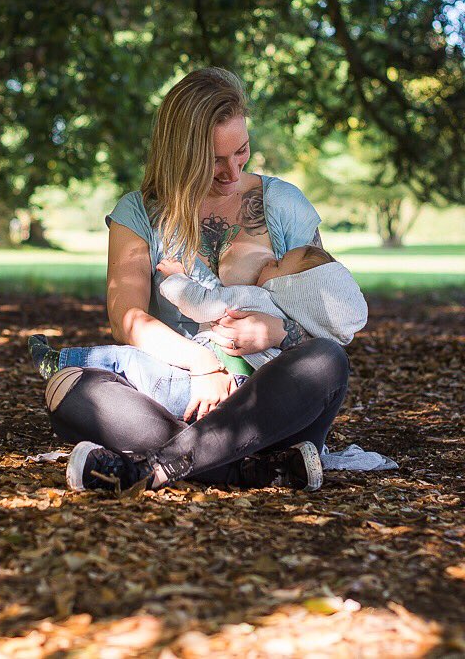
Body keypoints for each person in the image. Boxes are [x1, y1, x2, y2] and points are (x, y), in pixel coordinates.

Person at [43, 68, 351, 494]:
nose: (232, 172)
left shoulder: (285, 204)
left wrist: (280, 330)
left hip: (265, 405)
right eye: (214, 160)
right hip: (180, 395)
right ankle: (254, 470)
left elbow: (333, 315)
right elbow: (126, 319)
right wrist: (202, 364)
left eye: (241, 152)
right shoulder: (138, 214)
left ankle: (154, 468)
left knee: (326, 361)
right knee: (69, 389)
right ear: (179, 154)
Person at [29, 243, 367, 422]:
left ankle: (61, 361)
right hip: (250, 401)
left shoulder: (257, 297)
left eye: (277, 266)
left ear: (291, 288)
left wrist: (175, 278)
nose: (269, 262)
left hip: (198, 384)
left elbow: (204, 304)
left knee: (128, 361)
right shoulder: (300, 324)